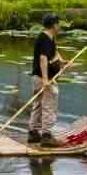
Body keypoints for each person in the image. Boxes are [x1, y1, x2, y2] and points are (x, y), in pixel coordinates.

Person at [27, 13, 69, 145]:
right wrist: (45, 80)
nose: (60, 26)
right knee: (49, 105)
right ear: (54, 25)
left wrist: (62, 62)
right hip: (43, 79)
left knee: (38, 105)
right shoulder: (45, 38)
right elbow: (43, 58)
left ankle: (33, 133)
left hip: (37, 77)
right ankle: (46, 136)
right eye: (59, 24)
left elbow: (54, 52)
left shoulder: (49, 38)